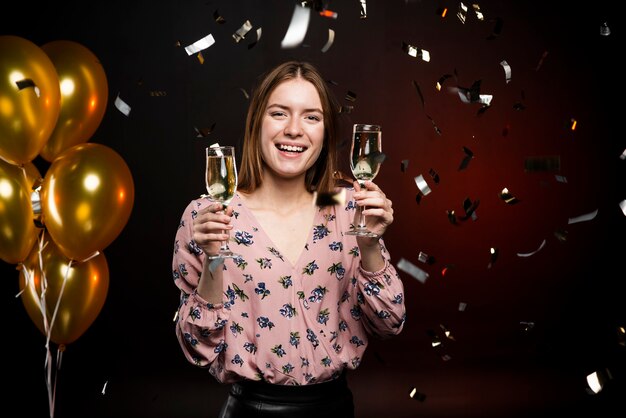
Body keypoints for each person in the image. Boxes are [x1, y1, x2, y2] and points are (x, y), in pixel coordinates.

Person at [172, 60, 406, 418]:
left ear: (326, 131)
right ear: (257, 123)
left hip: (333, 410)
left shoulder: (346, 206)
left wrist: (370, 244)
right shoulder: (209, 215)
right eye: (280, 113)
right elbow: (198, 347)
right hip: (251, 410)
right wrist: (214, 259)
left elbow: (390, 324)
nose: (294, 130)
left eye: (311, 117)